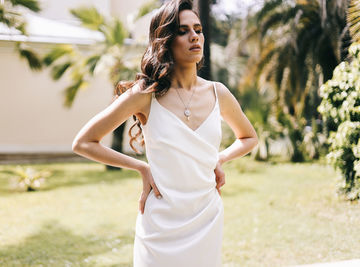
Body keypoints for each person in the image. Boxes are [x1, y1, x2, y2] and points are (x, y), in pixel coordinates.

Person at [72, 0, 258, 266]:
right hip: (160, 226)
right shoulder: (146, 95)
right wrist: (141, 168)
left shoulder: (219, 93)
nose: (195, 36)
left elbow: (249, 137)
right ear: (166, 40)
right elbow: (83, 142)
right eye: (183, 31)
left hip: (206, 216)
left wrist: (220, 159)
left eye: (198, 29)